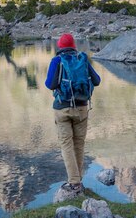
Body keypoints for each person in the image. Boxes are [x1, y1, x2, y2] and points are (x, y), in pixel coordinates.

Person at [45, 33, 101, 194]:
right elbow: (97, 80)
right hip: (82, 108)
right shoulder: (82, 58)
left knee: (66, 145)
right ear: (74, 46)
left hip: (62, 109)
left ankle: (74, 183)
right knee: (79, 143)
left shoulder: (57, 61)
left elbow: (50, 84)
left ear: (60, 47)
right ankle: (78, 180)